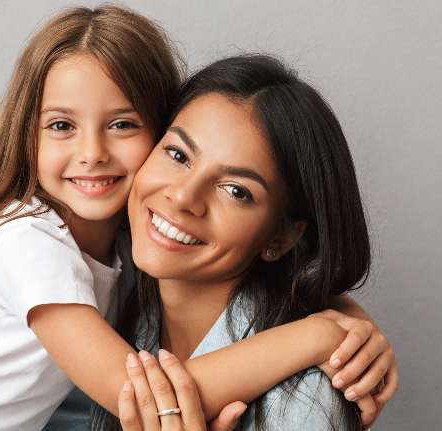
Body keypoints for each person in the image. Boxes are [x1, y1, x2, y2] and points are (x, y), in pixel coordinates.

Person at [0, 7, 396, 431]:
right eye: (177, 155)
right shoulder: (42, 251)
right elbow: (139, 394)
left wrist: (339, 318)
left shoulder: (121, 257)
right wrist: (318, 334)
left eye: (122, 126)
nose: (179, 198)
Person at [111, 54, 393, 430]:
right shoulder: (109, 292)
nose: (183, 198)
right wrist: (328, 330)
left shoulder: (303, 403)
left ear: (283, 236)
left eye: (236, 191)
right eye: (178, 154)